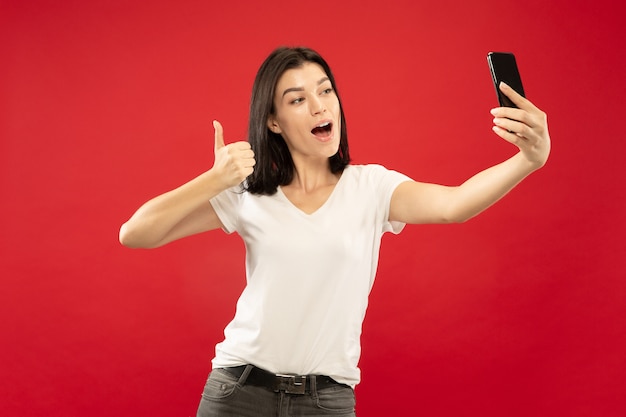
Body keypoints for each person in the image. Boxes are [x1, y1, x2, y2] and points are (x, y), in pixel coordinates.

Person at [119, 46, 550, 417]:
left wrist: (528, 160)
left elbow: (454, 205)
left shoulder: (372, 188)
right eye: (298, 99)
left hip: (325, 402)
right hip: (238, 393)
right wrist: (214, 180)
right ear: (272, 121)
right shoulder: (250, 195)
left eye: (325, 91)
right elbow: (136, 232)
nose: (320, 106)